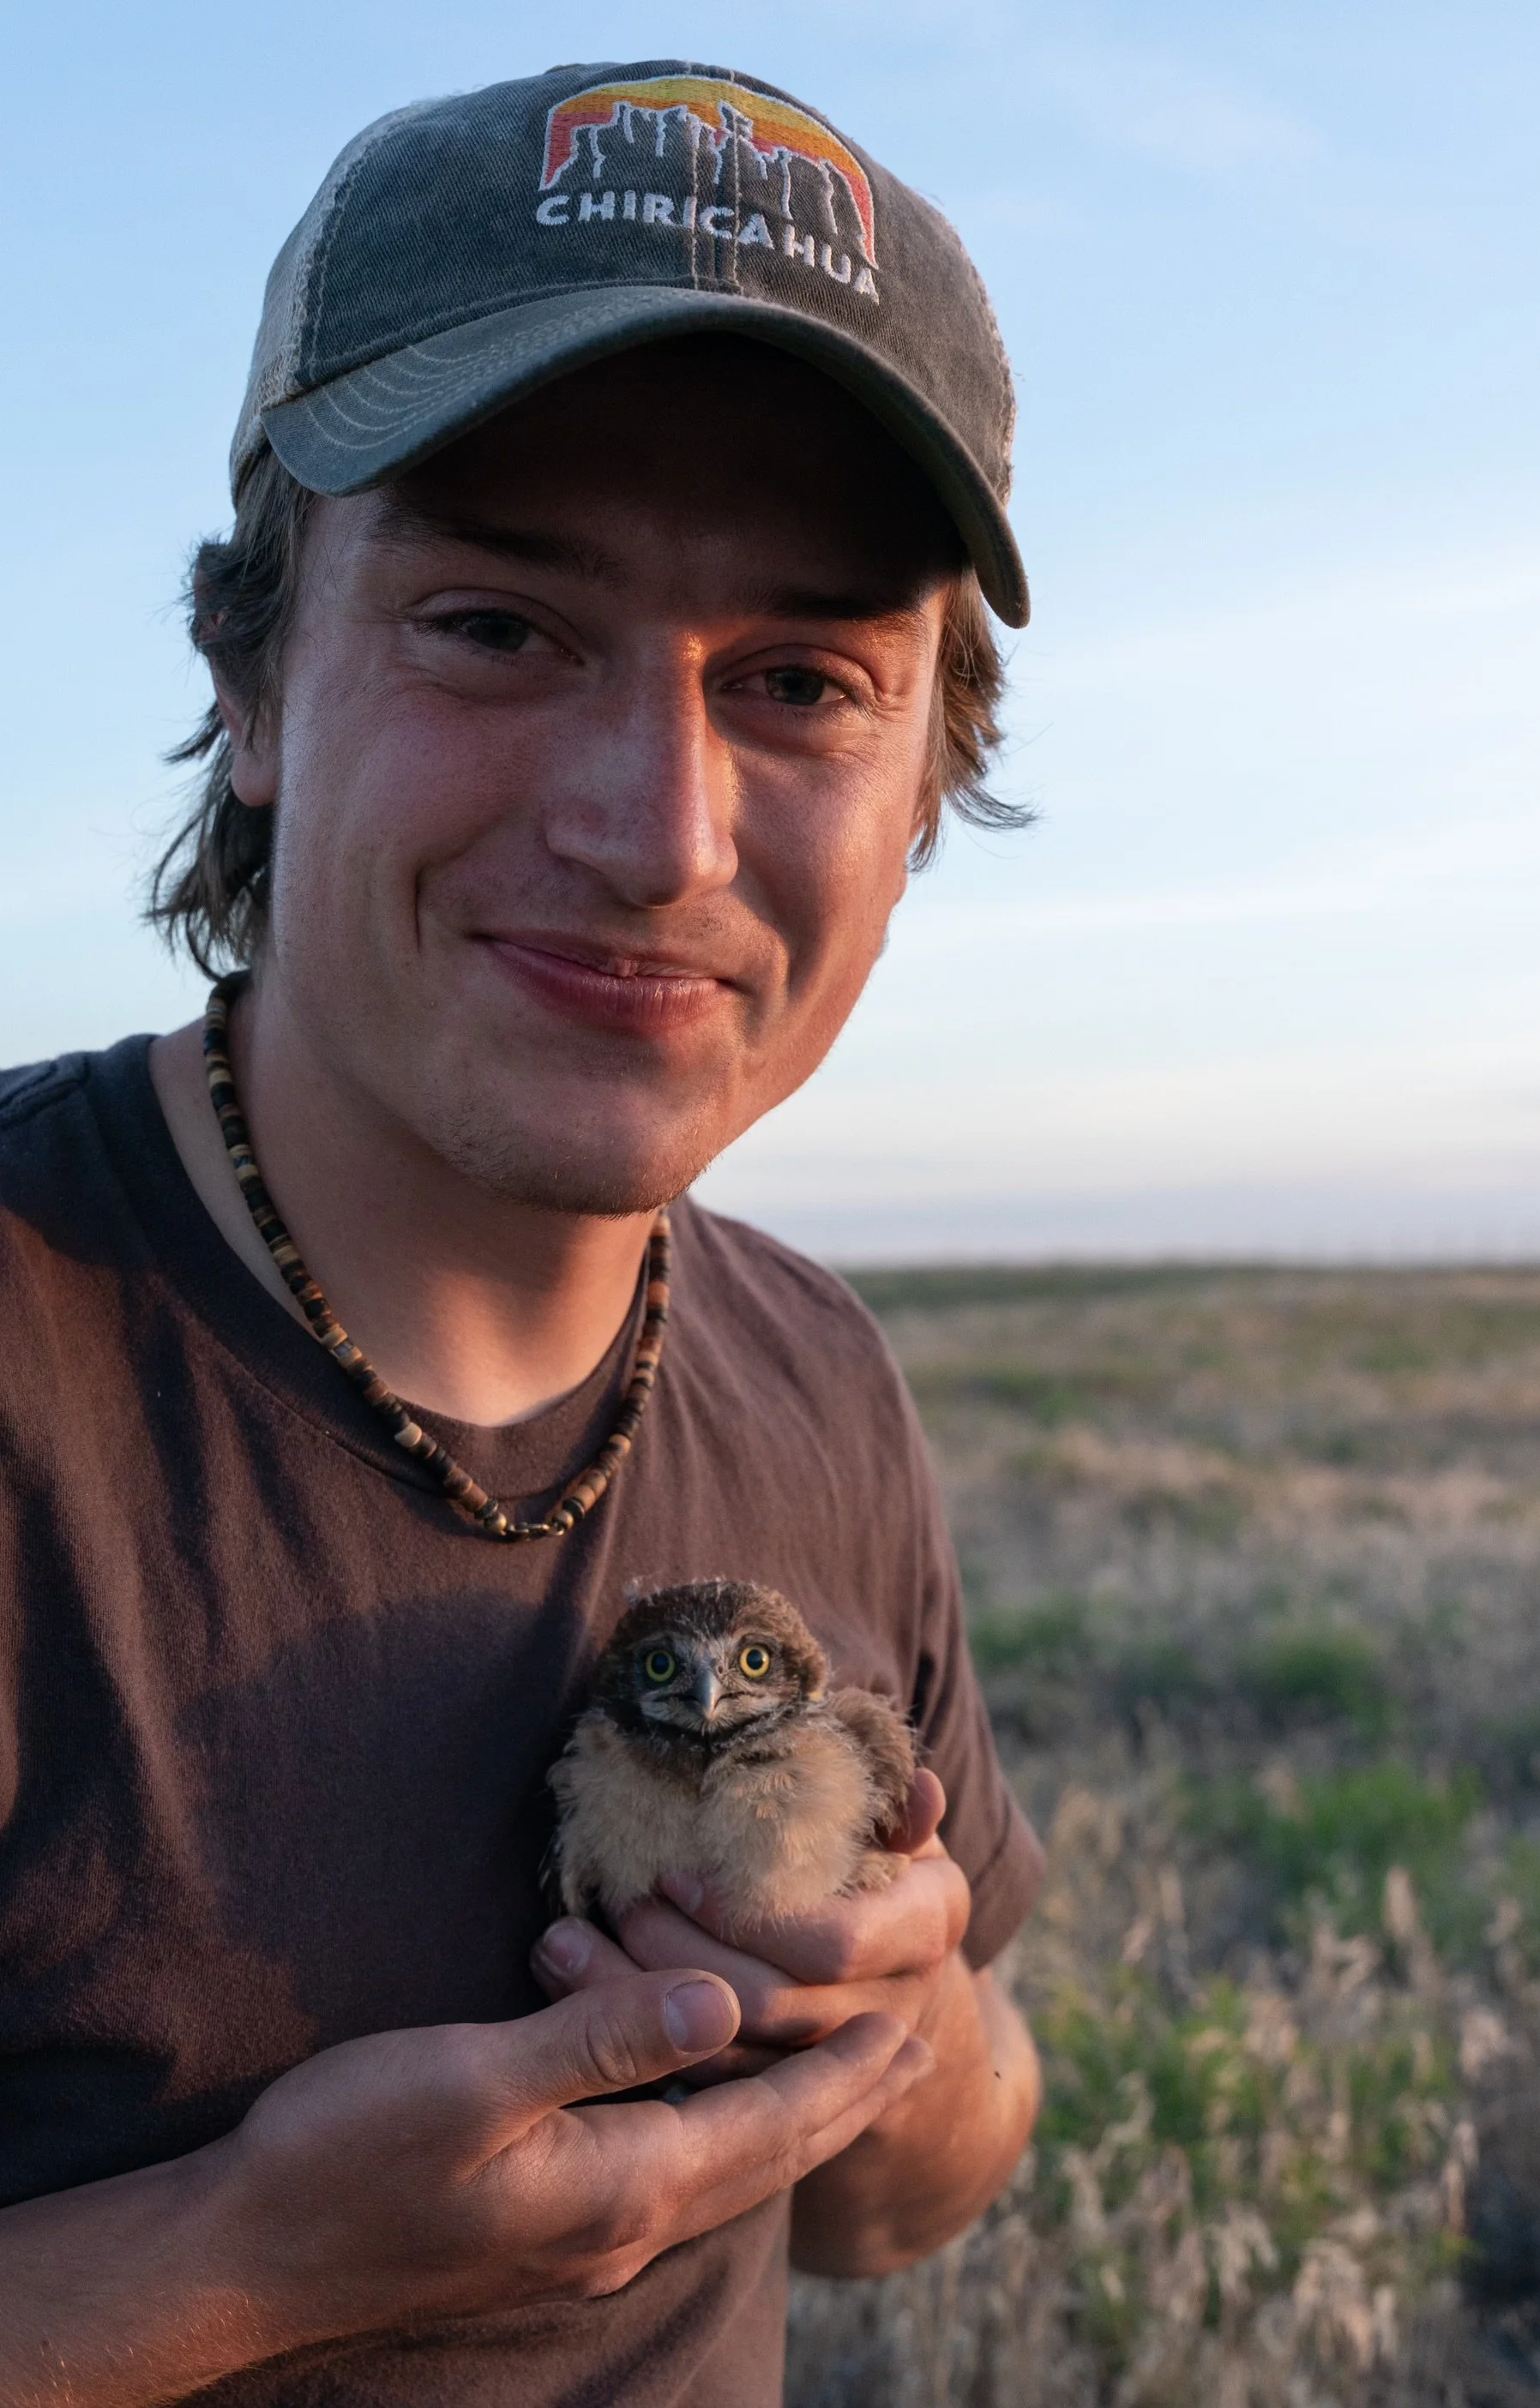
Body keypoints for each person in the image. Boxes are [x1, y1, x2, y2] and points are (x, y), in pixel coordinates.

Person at [0, 57, 1044, 2408]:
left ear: (920, 790)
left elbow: (908, 2199)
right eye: (496, 624)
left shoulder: (820, 1376)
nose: (657, 830)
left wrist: (912, 2021)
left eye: (799, 682)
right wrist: (236, 2264)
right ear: (255, 676)